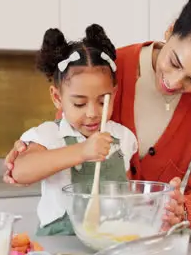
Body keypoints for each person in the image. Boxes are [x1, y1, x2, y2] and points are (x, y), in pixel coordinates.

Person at [4, 0, 191, 230]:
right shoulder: (108, 69)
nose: (174, 82)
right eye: (175, 62)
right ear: (170, 30)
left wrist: (184, 210)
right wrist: (31, 152)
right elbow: (67, 133)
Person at [12, 24, 138, 235]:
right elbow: (20, 171)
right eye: (79, 103)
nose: (92, 113)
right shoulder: (49, 135)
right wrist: (82, 151)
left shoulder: (123, 137)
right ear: (57, 98)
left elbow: (124, 188)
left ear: (114, 95)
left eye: (102, 101)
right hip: (60, 243)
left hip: (112, 239)